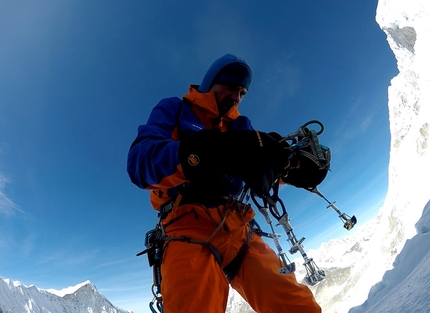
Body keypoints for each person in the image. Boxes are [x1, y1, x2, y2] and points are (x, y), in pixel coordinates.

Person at [127, 54, 322, 313]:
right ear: (211, 83)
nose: (237, 96)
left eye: (242, 91)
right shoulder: (175, 109)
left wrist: (292, 167)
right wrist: (202, 152)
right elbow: (140, 163)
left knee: (298, 307)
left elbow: (256, 165)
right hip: (186, 226)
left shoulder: (241, 126)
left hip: (238, 227)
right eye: (231, 86)